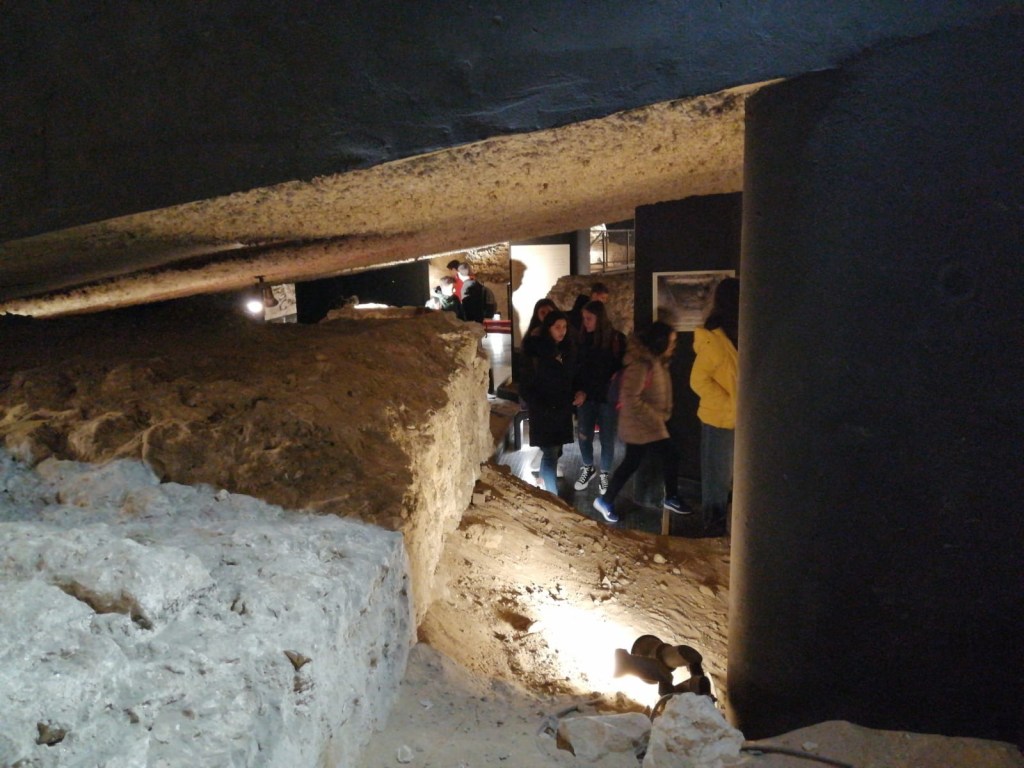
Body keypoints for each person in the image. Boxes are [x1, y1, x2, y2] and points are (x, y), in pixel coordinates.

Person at [593, 321, 685, 524]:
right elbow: (630, 398)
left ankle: (606, 500)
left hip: (648, 423)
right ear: (660, 342)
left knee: (636, 462)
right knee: (666, 455)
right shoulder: (641, 365)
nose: (673, 345)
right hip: (641, 424)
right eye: (671, 341)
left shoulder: (656, 361)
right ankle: (669, 497)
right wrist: (657, 416)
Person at [689, 277, 739, 535]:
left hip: (738, 419)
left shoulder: (739, 335)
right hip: (718, 420)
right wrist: (730, 403)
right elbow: (698, 381)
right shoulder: (714, 340)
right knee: (717, 481)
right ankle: (713, 533)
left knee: (732, 477)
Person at [519, 310, 582, 495]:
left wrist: (577, 393)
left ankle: (546, 486)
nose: (562, 331)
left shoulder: (567, 350)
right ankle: (553, 496)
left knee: (555, 451)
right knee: (550, 453)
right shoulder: (536, 351)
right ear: (548, 328)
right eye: (557, 327)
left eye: (564, 327)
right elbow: (526, 385)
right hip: (544, 410)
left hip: (561, 410)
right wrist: (540, 405)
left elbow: (571, 378)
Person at [572, 300, 626, 496]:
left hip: (606, 397)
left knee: (607, 438)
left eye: (589, 318)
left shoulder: (616, 339)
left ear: (599, 318)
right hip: (586, 397)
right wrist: (578, 390)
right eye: (584, 318)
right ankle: (588, 467)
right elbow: (578, 368)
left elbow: (617, 370)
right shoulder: (581, 339)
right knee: (583, 435)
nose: (585, 322)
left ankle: (604, 472)